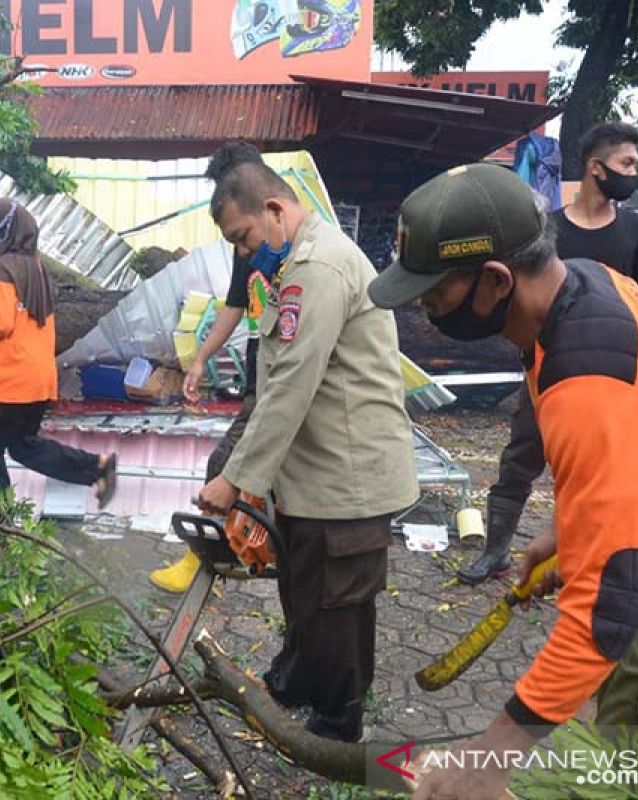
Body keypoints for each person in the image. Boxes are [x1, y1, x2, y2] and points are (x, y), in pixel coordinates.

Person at [368, 163, 638, 799]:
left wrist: (493, 756)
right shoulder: (576, 289)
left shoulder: (592, 377)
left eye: (434, 293)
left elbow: (608, 611)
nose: (423, 309)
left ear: (497, 279)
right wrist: (572, 528)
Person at [196, 161, 419, 742]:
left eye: (243, 238)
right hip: (315, 470)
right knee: (301, 589)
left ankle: (339, 721)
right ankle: (295, 681)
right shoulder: (291, 265)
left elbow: (292, 383)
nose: (243, 254)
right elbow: (272, 379)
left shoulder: (318, 267)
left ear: (274, 210)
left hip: (347, 474)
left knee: (337, 606)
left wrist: (236, 477)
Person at [460, 122, 638, 586]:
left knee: (604, 471)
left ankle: (596, 560)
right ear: (596, 167)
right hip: (545, 369)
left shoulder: (637, 230)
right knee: (520, 458)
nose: (633, 172)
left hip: (616, 379)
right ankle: (496, 551)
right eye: (627, 163)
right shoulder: (549, 228)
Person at [150, 141, 271, 593]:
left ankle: (205, 560)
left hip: (286, 371)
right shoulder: (248, 249)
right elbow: (235, 306)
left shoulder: (289, 244)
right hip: (264, 361)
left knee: (227, 463)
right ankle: (226, 558)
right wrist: (199, 359)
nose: (238, 242)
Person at [0, 199, 117, 509]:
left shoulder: (2, 268)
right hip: (38, 379)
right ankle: (97, 466)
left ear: (5, 230)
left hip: (8, 382)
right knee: (23, 445)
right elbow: (19, 314)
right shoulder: (37, 268)